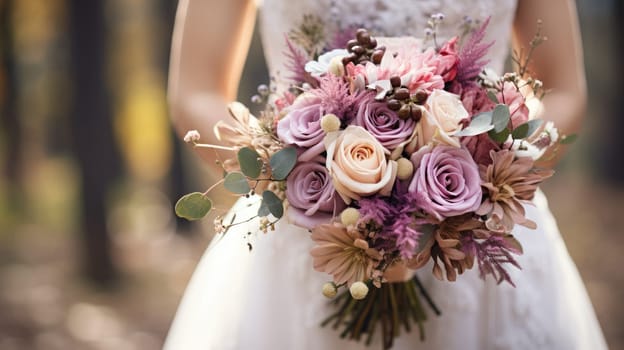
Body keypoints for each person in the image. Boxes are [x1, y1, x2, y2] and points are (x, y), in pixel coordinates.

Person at [164, 0, 608, 349]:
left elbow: (564, 89)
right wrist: (288, 171)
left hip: (477, 234)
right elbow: (196, 90)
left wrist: (490, 176)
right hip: (305, 234)